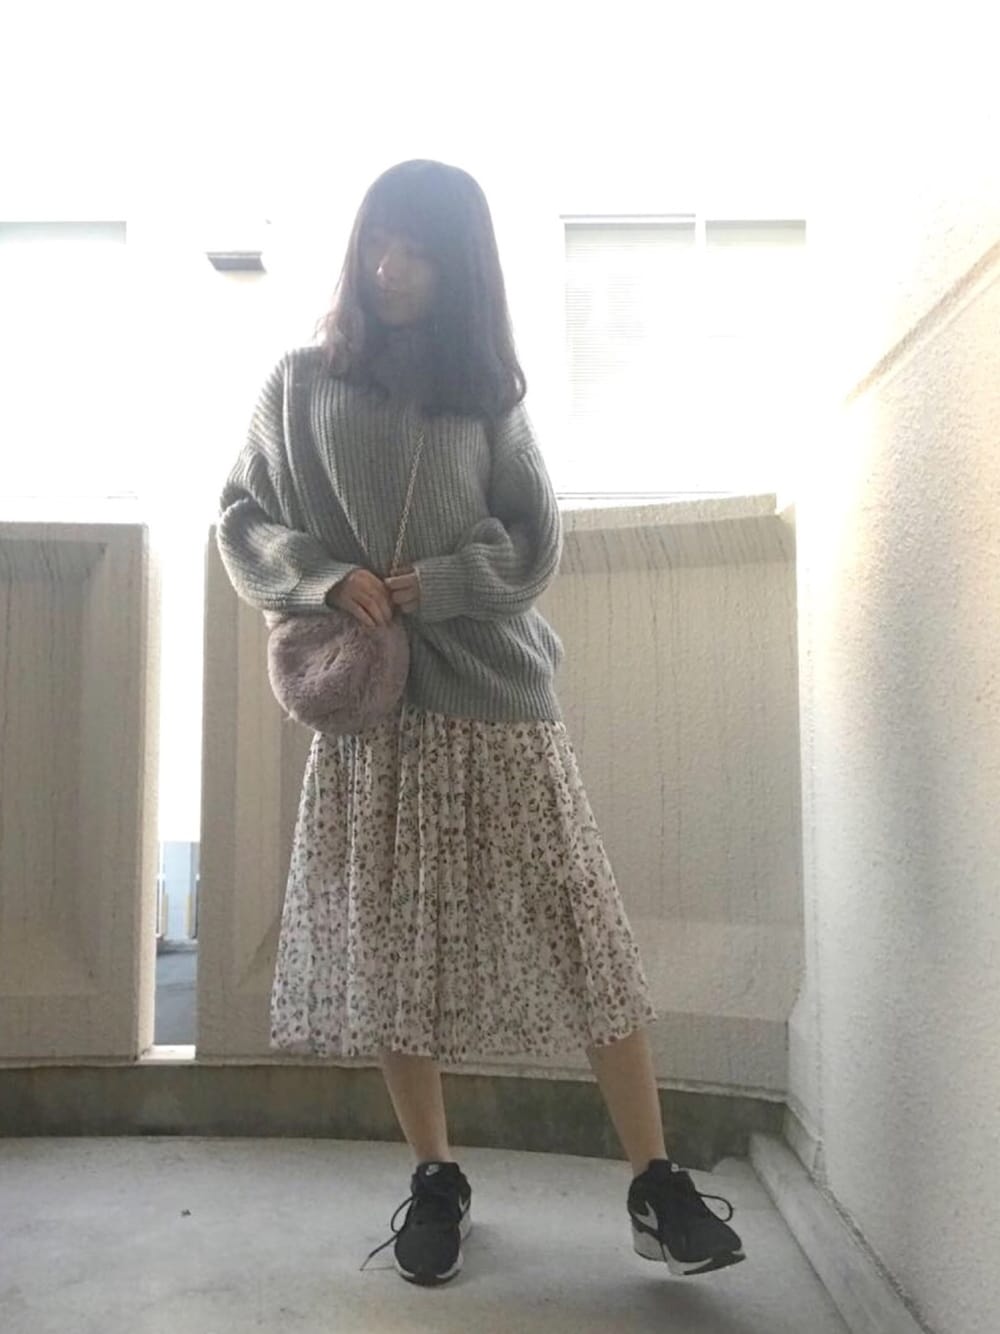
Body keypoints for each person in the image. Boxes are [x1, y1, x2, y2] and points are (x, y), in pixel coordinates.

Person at [216, 158, 745, 1287]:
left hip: (497, 700)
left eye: (418, 250)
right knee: (391, 951)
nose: (390, 267)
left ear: (460, 268)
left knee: (582, 930)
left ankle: (655, 1182)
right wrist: (323, 576)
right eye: (379, 243)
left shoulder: (486, 396)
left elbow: (536, 536)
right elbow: (242, 514)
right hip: (375, 716)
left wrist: (446, 582)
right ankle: (435, 1176)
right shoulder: (300, 381)